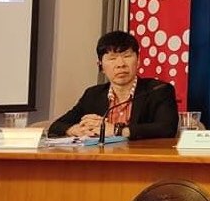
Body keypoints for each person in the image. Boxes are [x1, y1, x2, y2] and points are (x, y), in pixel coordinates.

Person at [48, 30, 178, 140]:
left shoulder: (157, 90)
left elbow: (167, 128)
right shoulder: (93, 95)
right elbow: (56, 126)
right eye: (112, 58)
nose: (120, 64)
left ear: (138, 60)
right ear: (100, 65)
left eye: (127, 56)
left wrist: (117, 130)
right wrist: (76, 130)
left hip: (141, 160)